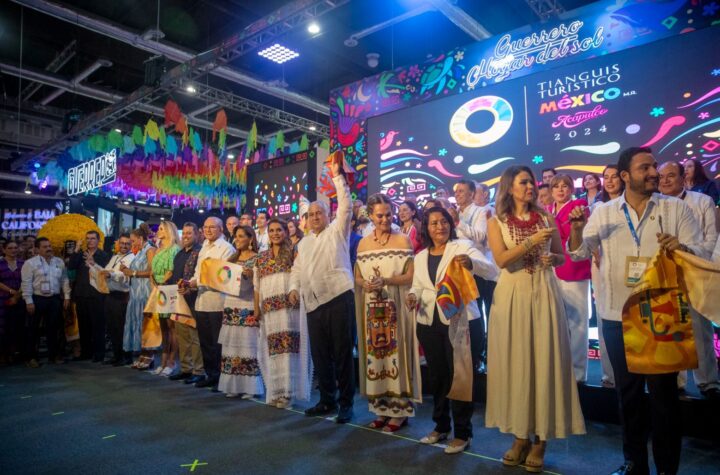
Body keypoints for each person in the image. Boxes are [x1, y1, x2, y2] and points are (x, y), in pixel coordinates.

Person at [567, 147, 703, 475]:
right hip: (616, 315)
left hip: (662, 313)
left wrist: (682, 248)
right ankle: (634, 463)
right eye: (645, 167)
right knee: (627, 396)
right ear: (626, 175)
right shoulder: (604, 212)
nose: (654, 172)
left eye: (654, 166)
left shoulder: (676, 208)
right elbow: (578, 253)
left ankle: (667, 468)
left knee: (664, 398)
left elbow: (702, 253)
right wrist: (576, 228)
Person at [485, 166, 585, 472]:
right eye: (524, 182)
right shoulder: (495, 222)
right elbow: (502, 260)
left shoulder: (546, 218)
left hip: (543, 292)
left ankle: (541, 439)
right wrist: (531, 242)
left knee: (543, 361)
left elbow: (562, 256)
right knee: (516, 363)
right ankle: (520, 436)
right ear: (509, 187)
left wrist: (553, 257)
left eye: (532, 181)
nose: (531, 186)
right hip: (511, 296)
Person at [406, 206, 498, 454]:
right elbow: (417, 287)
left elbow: (491, 269)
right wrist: (412, 297)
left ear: (451, 224)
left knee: (460, 378)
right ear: (426, 228)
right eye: (434, 223)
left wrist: (471, 263)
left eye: (444, 221)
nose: (440, 226)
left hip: (462, 322)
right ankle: (441, 426)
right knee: (438, 378)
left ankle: (463, 433)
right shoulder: (420, 256)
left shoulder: (462, 247)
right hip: (428, 322)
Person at [288, 157, 356, 424]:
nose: (315, 217)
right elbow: (296, 269)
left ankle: (346, 404)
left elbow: (346, 206)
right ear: (305, 219)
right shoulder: (303, 244)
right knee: (320, 356)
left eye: (319, 213)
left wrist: (338, 177)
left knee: (342, 355)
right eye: (311, 214)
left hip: (338, 298)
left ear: (328, 216)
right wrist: (294, 288)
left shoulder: (337, 231)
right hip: (313, 304)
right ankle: (327, 400)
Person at [355, 194, 419, 432]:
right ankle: (381, 409)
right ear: (370, 216)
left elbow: (411, 276)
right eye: (380, 215)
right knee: (377, 356)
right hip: (371, 309)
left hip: (396, 307)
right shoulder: (363, 244)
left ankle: (399, 412)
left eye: (388, 214)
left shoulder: (403, 240)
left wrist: (387, 281)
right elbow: (357, 276)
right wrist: (365, 284)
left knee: (396, 355)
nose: (385, 219)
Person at [658, 161, 720, 399]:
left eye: (671, 175)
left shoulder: (702, 201)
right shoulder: (655, 204)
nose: (665, 180)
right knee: (670, 328)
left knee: (699, 330)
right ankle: (677, 381)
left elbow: (711, 239)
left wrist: (689, 255)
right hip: (664, 274)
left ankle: (708, 382)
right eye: (661, 176)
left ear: (683, 178)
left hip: (695, 270)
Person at [254, 218, 311, 407]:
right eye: (271, 230)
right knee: (273, 351)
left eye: (279, 230)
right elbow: (257, 285)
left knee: (288, 350)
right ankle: (276, 391)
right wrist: (256, 308)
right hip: (270, 311)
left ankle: (288, 393)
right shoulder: (261, 257)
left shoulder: (294, 252)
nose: (275, 233)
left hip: (289, 310)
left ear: (286, 232)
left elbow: (301, 277)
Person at [548, 174, 592, 383]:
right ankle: (560, 368)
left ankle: (578, 373)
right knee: (557, 322)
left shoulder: (579, 207)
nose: (560, 189)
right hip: (552, 270)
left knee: (578, 323)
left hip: (574, 269)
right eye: (556, 186)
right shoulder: (548, 210)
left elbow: (576, 237)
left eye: (565, 186)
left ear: (571, 189)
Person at [452, 179, 498, 371]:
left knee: (484, 312)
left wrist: (457, 222)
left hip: (480, 269)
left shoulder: (482, 211)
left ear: (472, 194)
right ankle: (472, 354)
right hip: (461, 269)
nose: (457, 194)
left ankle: (489, 354)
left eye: (461, 191)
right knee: (470, 314)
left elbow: (480, 236)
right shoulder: (455, 213)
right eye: (456, 191)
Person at [188, 217, 236, 390]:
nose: (208, 230)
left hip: (218, 302)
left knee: (218, 343)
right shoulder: (204, 247)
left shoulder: (226, 248)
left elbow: (221, 276)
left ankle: (221, 378)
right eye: (205, 227)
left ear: (221, 229)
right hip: (202, 301)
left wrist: (196, 283)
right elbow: (197, 272)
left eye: (212, 227)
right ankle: (211, 374)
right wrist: (189, 283)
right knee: (205, 342)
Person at [591, 164, 625, 388]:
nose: (610, 181)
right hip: (600, 264)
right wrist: (595, 253)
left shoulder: (630, 204)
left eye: (614, 176)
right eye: (606, 177)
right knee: (604, 317)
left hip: (626, 266)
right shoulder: (598, 207)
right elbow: (590, 237)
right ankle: (609, 375)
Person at [219, 225, 262, 398]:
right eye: (236, 236)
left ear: (250, 239)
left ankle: (249, 387)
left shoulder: (257, 258)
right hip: (231, 303)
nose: (237, 239)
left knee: (247, 346)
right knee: (232, 345)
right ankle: (233, 386)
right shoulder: (231, 258)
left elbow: (259, 284)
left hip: (247, 304)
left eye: (241, 236)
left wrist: (250, 276)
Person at [20, 237, 71, 367]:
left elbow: (64, 279)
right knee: (33, 329)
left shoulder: (59, 261)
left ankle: (54, 356)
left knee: (54, 329)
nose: (48, 248)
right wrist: (29, 301)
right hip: (37, 299)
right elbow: (26, 283)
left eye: (49, 246)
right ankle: (31, 357)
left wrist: (67, 296)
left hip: (54, 299)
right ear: (37, 249)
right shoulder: (30, 263)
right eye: (45, 247)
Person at [68, 231, 110, 361]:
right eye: (87, 238)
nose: (90, 241)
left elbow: (106, 272)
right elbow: (71, 267)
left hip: (96, 295)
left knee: (98, 326)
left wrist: (93, 262)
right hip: (81, 294)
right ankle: (86, 352)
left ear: (98, 240)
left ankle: (99, 353)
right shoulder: (80, 254)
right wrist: (76, 249)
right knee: (83, 326)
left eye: (92, 238)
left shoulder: (103, 255)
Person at [171, 223, 204, 384]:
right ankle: (186, 368)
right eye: (184, 233)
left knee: (194, 337)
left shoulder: (200, 252)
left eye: (189, 233)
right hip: (179, 300)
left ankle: (198, 371)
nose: (185, 236)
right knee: (182, 336)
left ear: (197, 234)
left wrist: (189, 289)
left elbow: (201, 277)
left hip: (194, 299)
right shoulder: (179, 254)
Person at [120, 224, 155, 369]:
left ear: (141, 238)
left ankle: (150, 356)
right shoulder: (140, 251)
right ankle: (142, 354)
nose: (132, 244)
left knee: (145, 325)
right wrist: (126, 269)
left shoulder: (150, 250)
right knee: (137, 324)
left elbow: (152, 271)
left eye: (133, 241)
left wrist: (133, 273)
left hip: (144, 292)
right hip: (135, 293)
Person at [97, 233, 134, 366]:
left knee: (121, 328)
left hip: (122, 297)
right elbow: (106, 270)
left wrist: (110, 274)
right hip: (110, 295)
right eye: (122, 243)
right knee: (112, 327)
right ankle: (116, 355)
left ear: (131, 245)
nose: (124, 246)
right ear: (118, 243)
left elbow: (124, 275)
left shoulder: (132, 258)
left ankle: (125, 356)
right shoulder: (115, 257)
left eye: (127, 244)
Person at [150, 221, 181, 376]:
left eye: (161, 229)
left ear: (169, 231)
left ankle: (171, 362)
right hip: (158, 289)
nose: (158, 231)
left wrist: (161, 284)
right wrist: (154, 284)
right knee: (163, 327)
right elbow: (152, 270)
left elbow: (171, 271)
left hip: (168, 289)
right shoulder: (158, 249)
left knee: (171, 327)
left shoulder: (174, 249)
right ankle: (162, 361)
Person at [0, 241, 25, 364]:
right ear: (4, 250)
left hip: (20, 299)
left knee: (17, 327)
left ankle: (15, 353)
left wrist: (17, 295)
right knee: (3, 327)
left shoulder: (23, 263)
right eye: (10, 248)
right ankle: (3, 354)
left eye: (15, 248)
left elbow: (26, 280)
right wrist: (11, 291)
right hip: (3, 299)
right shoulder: (0, 263)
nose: (13, 250)